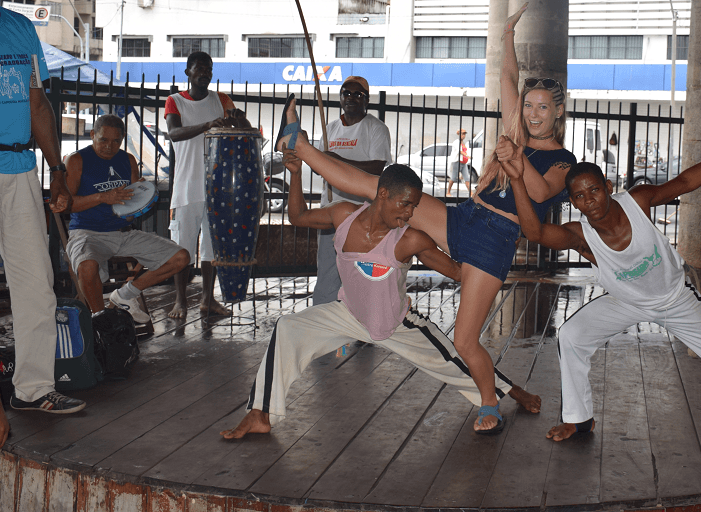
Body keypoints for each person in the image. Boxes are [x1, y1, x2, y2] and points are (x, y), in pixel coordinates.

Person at [277, 2, 574, 434]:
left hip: (496, 241)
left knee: (464, 340)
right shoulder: (516, 131)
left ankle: (488, 402)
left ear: (558, 113)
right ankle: (299, 144)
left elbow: (543, 192)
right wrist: (508, 36)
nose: (532, 114)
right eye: (529, 106)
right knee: (373, 188)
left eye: (543, 108)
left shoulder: (563, 161)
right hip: (466, 217)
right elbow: (508, 81)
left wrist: (516, 160)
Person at [496, 122, 701, 442]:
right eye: (579, 196)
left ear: (608, 186)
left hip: (674, 298)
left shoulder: (637, 201)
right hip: (626, 301)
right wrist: (516, 179)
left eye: (594, 190)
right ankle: (579, 420)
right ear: (573, 202)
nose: (589, 200)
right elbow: (535, 232)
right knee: (571, 335)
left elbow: (684, 182)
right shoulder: (580, 235)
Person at [220, 162, 540, 439]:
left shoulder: (410, 239)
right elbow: (298, 216)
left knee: (456, 361)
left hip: (396, 324)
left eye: (414, 207)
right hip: (349, 314)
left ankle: (514, 392)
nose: (410, 213)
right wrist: (295, 172)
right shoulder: (343, 217)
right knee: (287, 327)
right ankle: (260, 415)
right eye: (405, 204)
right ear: (382, 194)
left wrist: (494, 250)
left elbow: (458, 272)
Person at [0, 0, 85, 414]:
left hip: (19, 168)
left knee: (36, 282)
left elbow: (38, 103)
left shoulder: (19, 30)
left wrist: (56, 169)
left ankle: (32, 388)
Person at [64, 114, 191, 326]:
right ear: (92, 135)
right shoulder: (77, 160)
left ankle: (124, 295)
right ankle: (100, 321)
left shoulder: (127, 159)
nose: (109, 146)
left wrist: (142, 196)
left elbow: (133, 204)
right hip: (87, 232)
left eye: (116, 141)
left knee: (181, 258)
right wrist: (102, 197)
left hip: (124, 233)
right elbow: (67, 205)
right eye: (103, 140)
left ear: (122, 139)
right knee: (87, 267)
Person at [164, 52, 251, 319]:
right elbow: (174, 133)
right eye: (199, 68)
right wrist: (208, 125)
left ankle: (207, 300)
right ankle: (180, 301)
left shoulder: (221, 100)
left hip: (217, 188)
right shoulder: (174, 101)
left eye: (209, 69)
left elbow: (244, 128)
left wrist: (238, 119)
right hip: (187, 186)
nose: (205, 72)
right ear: (188, 72)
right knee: (183, 248)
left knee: (213, 247)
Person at [312, 75, 392, 305]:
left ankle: (364, 322)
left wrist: (336, 161)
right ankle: (324, 318)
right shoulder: (330, 130)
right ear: (340, 98)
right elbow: (319, 168)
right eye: (347, 93)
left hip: (362, 213)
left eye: (358, 94)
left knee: (361, 270)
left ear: (367, 100)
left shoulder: (376, 129)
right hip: (330, 210)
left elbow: (378, 167)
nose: (352, 98)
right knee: (327, 267)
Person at [445, 128, 472, 198]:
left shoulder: (462, 143)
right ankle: (448, 192)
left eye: (464, 134)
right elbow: (459, 151)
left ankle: (471, 193)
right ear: (459, 135)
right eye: (462, 134)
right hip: (457, 162)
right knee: (453, 178)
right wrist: (467, 156)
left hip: (463, 163)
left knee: (467, 178)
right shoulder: (456, 142)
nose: (463, 136)